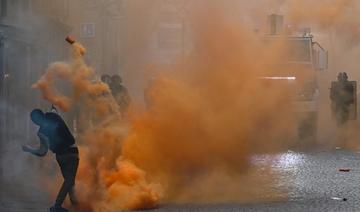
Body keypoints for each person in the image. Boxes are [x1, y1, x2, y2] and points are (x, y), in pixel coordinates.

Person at [22, 106, 79, 212]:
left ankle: (75, 204)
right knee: (69, 180)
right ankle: (58, 206)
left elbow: (42, 152)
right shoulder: (52, 117)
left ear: (40, 116)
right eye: (34, 120)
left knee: (70, 181)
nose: (36, 122)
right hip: (68, 155)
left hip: (66, 155)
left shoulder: (45, 126)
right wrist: (29, 149)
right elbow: (42, 151)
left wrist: (29, 149)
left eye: (35, 119)